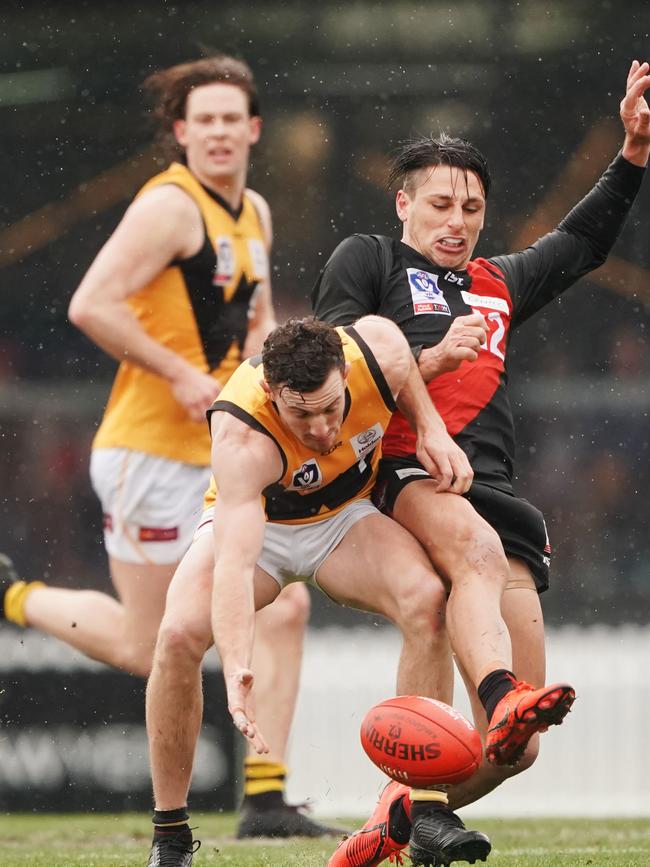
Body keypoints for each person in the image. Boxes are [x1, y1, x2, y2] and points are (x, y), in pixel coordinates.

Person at [313, 60, 650, 866]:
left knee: (518, 749)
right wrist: (428, 358)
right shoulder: (369, 260)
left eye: (471, 207)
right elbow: (328, 374)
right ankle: (495, 695)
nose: (457, 220)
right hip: (405, 474)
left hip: (491, 495)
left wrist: (633, 151)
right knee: (480, 599)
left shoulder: (498, 282)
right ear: (403, 205)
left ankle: (398, 819)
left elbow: (581, 243)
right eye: (439, 204)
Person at [0, 54, 331, 838]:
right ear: (181, 133)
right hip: (149, 454)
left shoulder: (253, 211)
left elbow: (251, 329)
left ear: (253, 130)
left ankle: (267, 800)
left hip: (219, 454)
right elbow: (92, 303)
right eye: (203, 120)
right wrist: (185, 375)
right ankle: (14, 596)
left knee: (284, 608)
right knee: (153, 647)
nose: (218, 132)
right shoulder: (169, 207)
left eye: (231, 119)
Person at [143, 315, 573, 866]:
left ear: (346, 374)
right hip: (265, 531)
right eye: (301, 414)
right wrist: (234, 665)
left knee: (427, 601)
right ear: (273, 394)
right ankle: (172, 837)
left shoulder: (379, 352)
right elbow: (234, 561)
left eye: (331, 407)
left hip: (343, 517)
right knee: (177, 636)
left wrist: (431, 429)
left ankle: (426, 809)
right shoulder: (240, 433)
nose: (322, 430)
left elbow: (405, 374)